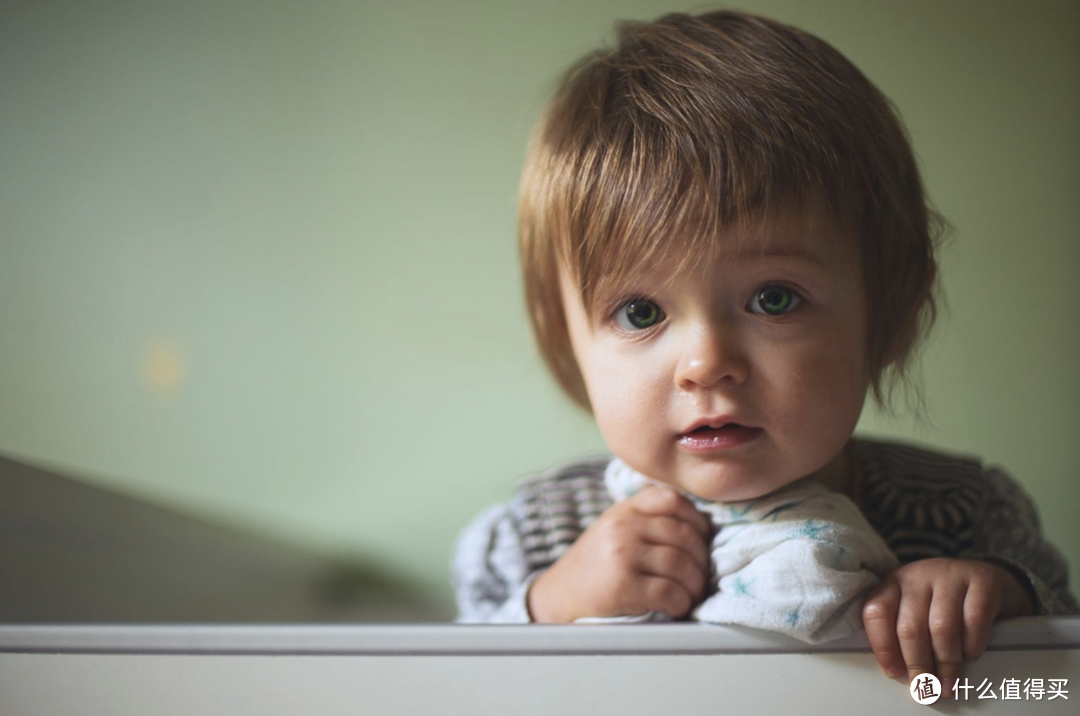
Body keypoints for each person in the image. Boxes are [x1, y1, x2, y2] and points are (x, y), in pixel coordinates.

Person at [452, 8, 1077, 690]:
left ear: (887, 306)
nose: (706, 363)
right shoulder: (534, 538)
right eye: (640, 312)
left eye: (774, 298)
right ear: (565, 336)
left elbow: (1054, 676)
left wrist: (1000, 603)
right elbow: (448, 685)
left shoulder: (965, 514)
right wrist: (550, 609)